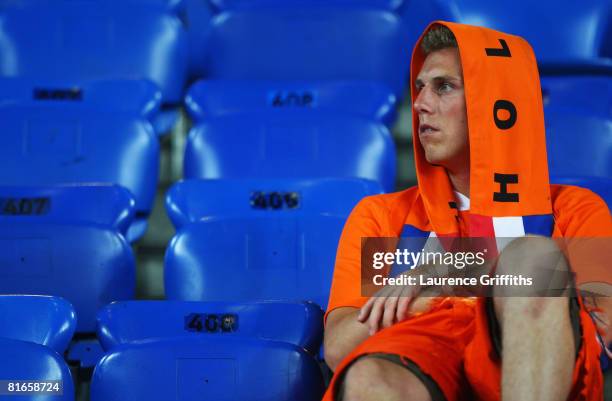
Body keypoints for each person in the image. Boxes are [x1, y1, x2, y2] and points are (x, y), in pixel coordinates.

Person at [322, 21, 612, 401]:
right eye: (419, 87)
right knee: (369, 379)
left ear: (497, 103)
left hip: (535, 361)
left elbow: (606, 322)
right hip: (423, 357)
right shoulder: (380, 215)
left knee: (532, 258)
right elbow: (339, 346)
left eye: (444, 86)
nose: (421, 103)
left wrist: (452, 272)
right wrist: (418, 302)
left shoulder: (575, 209)